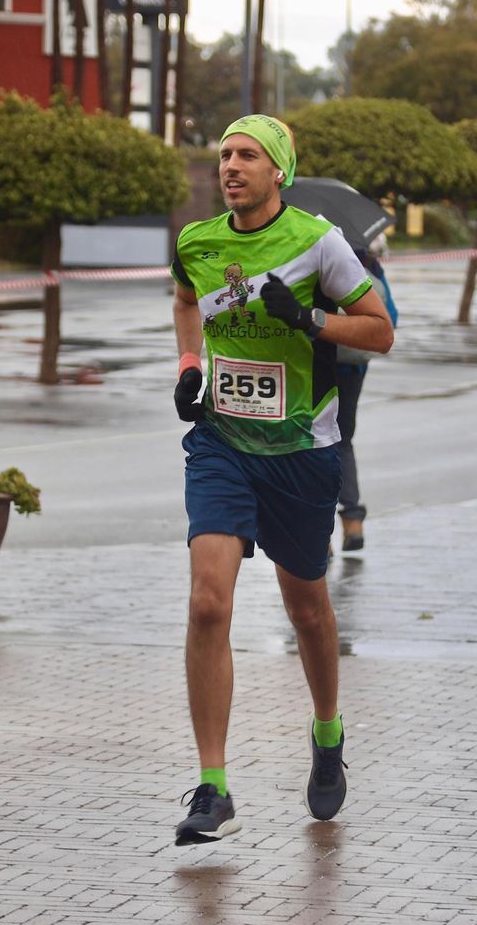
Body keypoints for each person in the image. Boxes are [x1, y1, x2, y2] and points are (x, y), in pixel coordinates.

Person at [169, 114, 394, 845]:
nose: (229, 166)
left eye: (247, 155)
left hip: (301, 450)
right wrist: (190, 367)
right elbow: (184, 301)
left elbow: (381, 328)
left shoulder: (318, 241)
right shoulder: (196, 244)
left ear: (279, 171)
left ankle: (327, 732)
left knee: (306, 609)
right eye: (224, 154)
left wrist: (312, 320)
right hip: (222, 442)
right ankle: (213, 784)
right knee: (209, 602)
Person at [333, 241, 398, 552]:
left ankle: (318, 536)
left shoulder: (316, 250)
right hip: (353, 369)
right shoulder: (369, 266)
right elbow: (391, 320)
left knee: (309, 443)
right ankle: (353, 521)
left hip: (315, 365)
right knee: (343, 440)